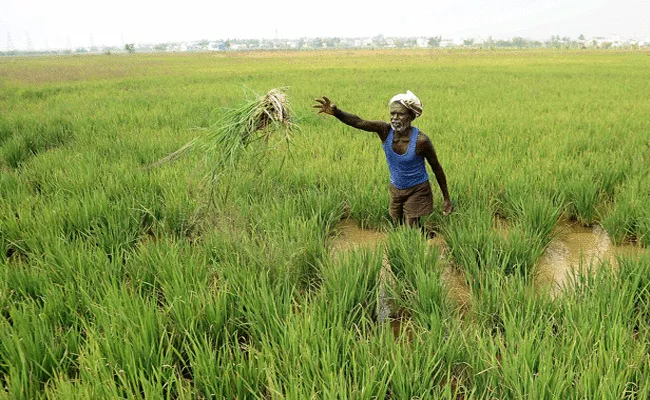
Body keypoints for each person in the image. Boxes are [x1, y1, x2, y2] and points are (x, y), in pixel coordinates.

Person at [313, 90, 453, 229]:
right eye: (392, 113)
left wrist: (446, 198)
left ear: (411, 116)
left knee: (410, 227)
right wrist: (337, 112)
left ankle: (419, 239)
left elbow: (437, 168)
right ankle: (427, 234)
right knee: (397, 224)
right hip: (396, 187)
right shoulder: (385, 130)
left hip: (418, 189)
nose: (395, 118)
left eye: (400, 114)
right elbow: (358, 122)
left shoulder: (421, 141)